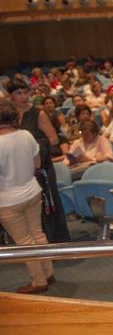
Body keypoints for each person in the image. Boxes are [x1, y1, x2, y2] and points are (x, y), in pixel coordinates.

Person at [5, 79, 71, 243]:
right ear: (10, 96)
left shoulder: (38, 113)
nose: (23, 97)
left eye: (25, 92)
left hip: (41, 168)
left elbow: (54, 139)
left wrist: (30, 144)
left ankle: (53, 242)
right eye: (18, 93)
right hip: (19, 168)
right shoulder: (9, 116)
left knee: (47, 207)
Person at [0, 99, 54, 294]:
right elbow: (37, 165)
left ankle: (39, 282)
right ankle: (48, 273)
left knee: (24, 243)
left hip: (8, 200)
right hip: (32, 191)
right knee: (38, 234)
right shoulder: (26, 134)